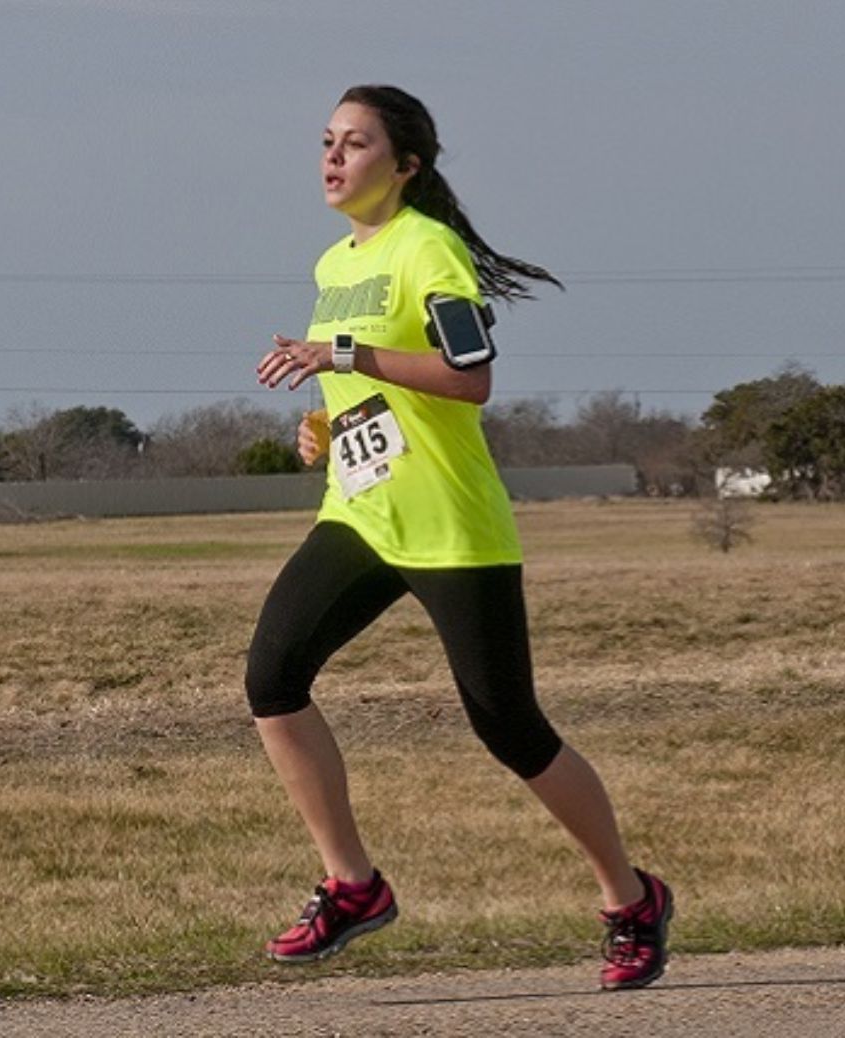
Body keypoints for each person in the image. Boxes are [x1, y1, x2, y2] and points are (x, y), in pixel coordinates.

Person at [247, 84, 672, 991]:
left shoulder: (428, 249)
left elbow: (468, 376)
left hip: (448, 524)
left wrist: (343, 358)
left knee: (509, 727)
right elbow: (365, 387)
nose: (332, 158)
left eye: (355, 144)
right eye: (326, 141)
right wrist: (324, 424)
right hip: (361, 514)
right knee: (272, 681)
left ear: (404, 167)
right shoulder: (333, 266)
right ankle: (353, 885)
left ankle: (630, 898)